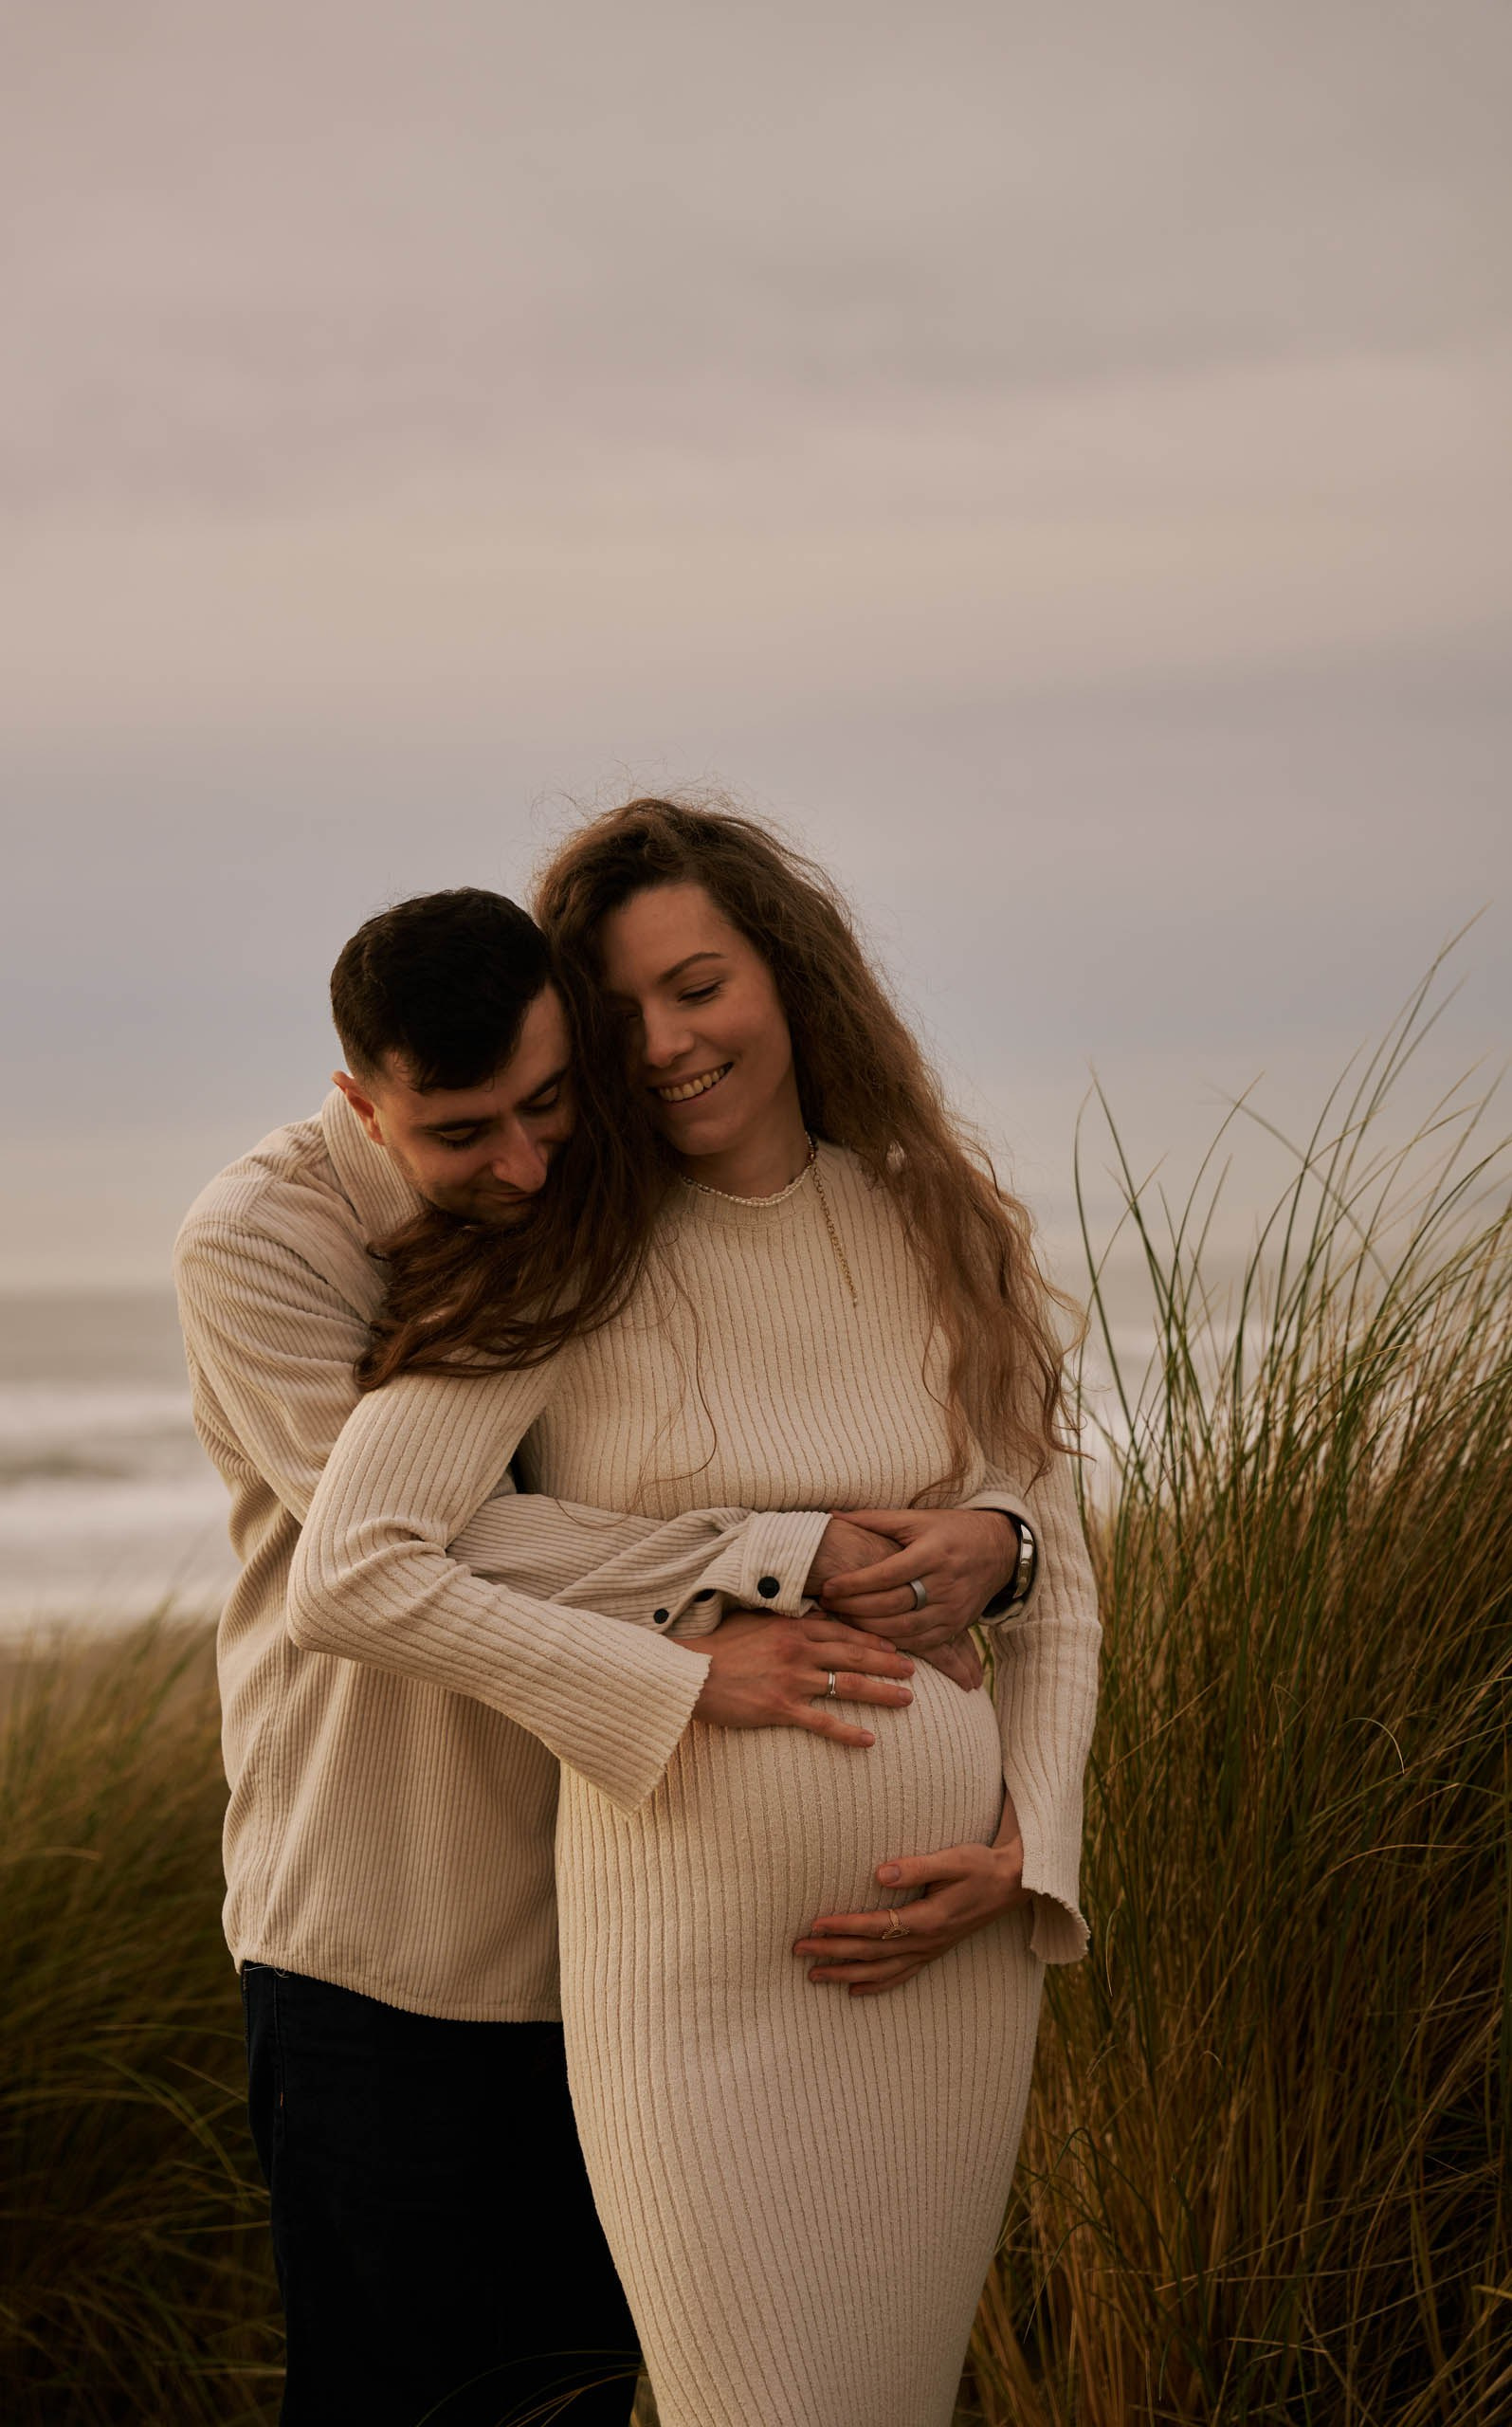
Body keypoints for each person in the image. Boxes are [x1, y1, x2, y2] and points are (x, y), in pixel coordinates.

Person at [175, 885, 1032, 2427]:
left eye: (548, 1104)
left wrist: (991, 1539)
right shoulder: (261, 1244)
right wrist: (777, 1569)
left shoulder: (603, 1201)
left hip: (623, 1935)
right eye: (461, 1135)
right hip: (397, 1938)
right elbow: (406, 1553)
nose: (520, 1164)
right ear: (362, 1102)